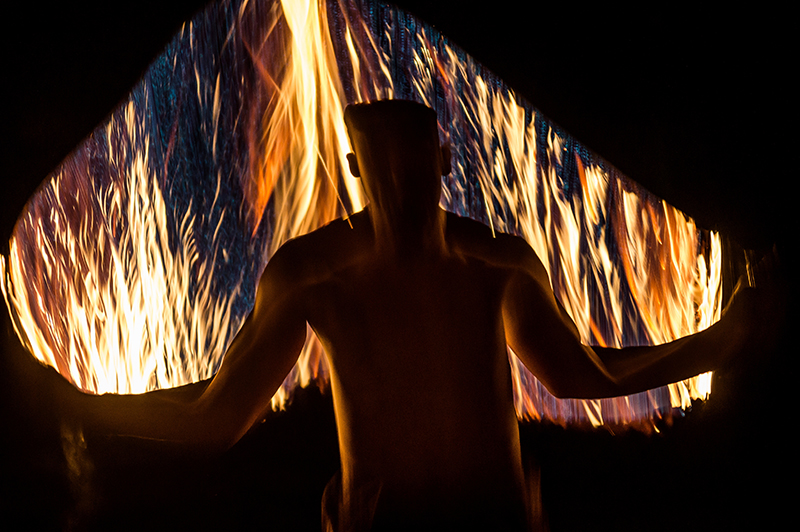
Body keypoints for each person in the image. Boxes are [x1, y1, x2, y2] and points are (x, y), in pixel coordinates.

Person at [54, 100, 765, 531]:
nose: (398, 176)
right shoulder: (316, 279)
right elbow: (214, 419)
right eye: (382, 160)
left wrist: (729, 339)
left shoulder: (492, 269)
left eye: (414, 158)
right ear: (355, 169)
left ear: (445, 158)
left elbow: (586, 374)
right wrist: (74, 404)